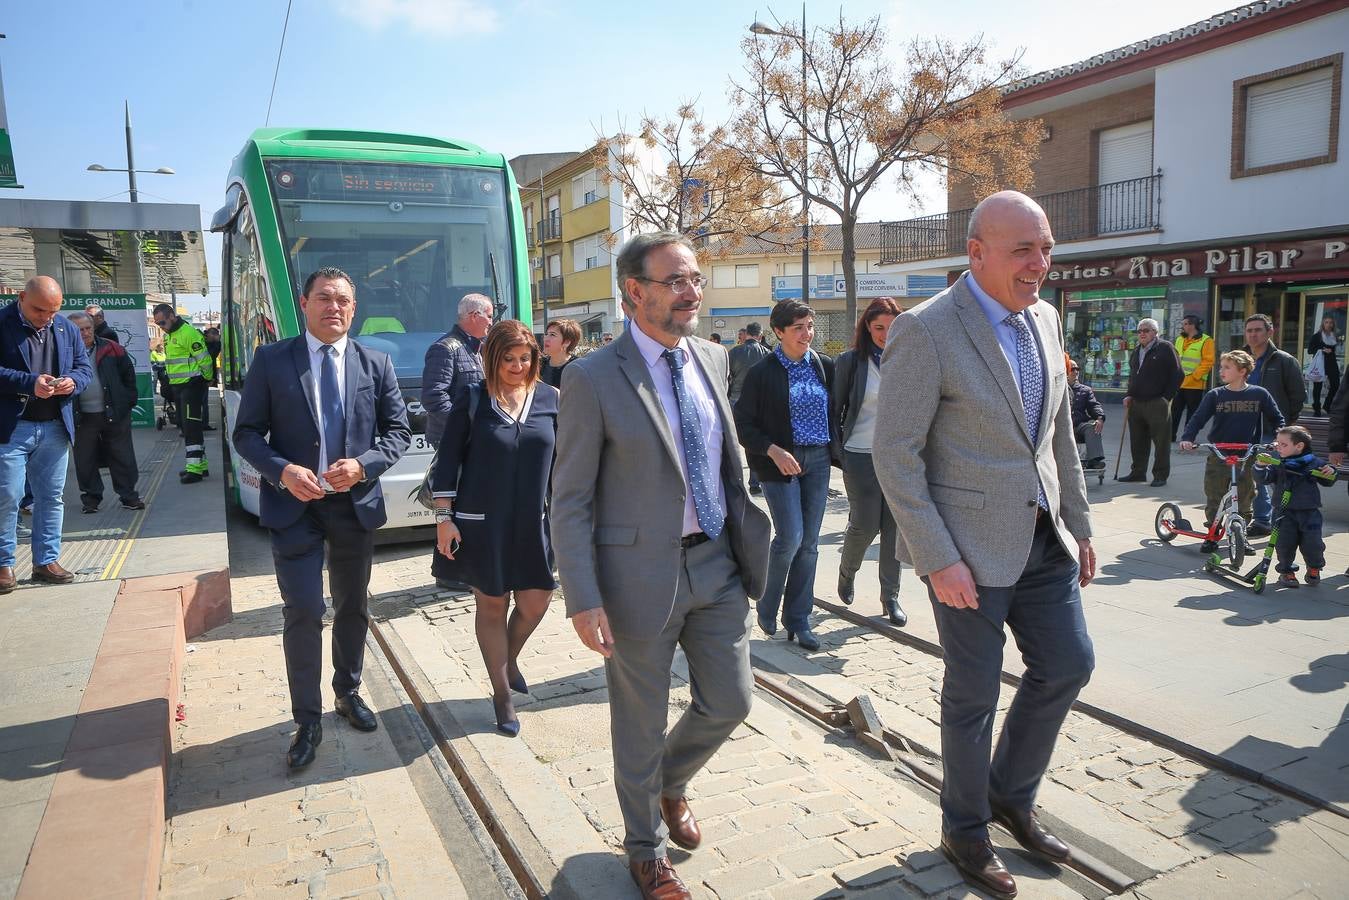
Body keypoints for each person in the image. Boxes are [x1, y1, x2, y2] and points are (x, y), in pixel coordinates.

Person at [874, 192, 1095, 900]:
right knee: (971, 697)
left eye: (1046, 247)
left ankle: (1008, 795)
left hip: (1043, 542)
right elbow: (895, 454)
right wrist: (935, 556)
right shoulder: (926, 330)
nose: (1040, 264)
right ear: (975, 253)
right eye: (1022, 250)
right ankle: (964, 831)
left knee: (1066, 665)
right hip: (965, 554)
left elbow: (1057, 437)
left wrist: (1080, 523)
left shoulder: (1045, 318)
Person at [552, 232, 771, 900]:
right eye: (675, 280)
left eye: (695, 279)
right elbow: (570, 499)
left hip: (717, 564)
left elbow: (724, 461)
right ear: (633, 292)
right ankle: (645, 850)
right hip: (635, 580)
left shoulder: (711, 356)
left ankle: (671, 783)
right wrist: (583, 597)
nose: (691, 291)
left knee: (732, 700)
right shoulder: (590, 376)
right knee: (639, 721)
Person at [232, 266, 411, 769]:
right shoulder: (271, 361)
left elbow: (397, 433)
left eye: (344, 300)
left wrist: (363, 465)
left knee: (353, 606)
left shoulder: (376, 363)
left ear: (354, 310)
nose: (335, 307)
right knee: (306, 610)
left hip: (353, 506)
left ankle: (347, 692)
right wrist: (282, 470)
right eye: (325, 298)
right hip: (296, 507)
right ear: (305, 303)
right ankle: (306, 718)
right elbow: (246, 434)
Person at [432, 320, 559, 736]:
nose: (518, 366)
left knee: (535, 603)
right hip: (481, 524)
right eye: (509, 359)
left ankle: (509, 657)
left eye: (525, 358)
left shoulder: (551, 399)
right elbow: (447, 462)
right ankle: (502, 694)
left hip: (533, 523)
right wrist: (443, 519)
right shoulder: (472, 399)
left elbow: (565, 465)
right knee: (492, 604)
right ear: (492, 359)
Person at [734, 299, 835, 651]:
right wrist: (772, 450)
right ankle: (766, 601)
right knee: (790, 537)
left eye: (809, 326)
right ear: (778, 332)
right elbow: (743, 423)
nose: (807, 334)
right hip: (778, 463)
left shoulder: (823, 366)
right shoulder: (763, 373)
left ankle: (799, 619)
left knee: (809, 544)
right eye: (798, 328)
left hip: (818, 460)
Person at [0, 276, 92, 592]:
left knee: (51, 498)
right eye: (40, 310)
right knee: (7, 497)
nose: (46, 318)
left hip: (54, 426)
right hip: (11, 429)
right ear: (21, 297)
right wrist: (29, 382)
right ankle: (3, 565)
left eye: (53, 311)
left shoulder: (64, 327)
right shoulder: (2, 322)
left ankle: (46, 561)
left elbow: (84, 368)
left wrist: (72, 383)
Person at [831, 297, 906, 626]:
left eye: (892, 328)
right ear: (866, 327)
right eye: (878, 328)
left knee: (894, 528)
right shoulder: (850, 361)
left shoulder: (909, 360)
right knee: (865, 524)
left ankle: (890, 596)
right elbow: (834, 410)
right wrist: (838, 453)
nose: (885, 335)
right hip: (859, 453)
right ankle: (847, 573)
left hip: (899, 458)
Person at [1179, 350, 1283, 553]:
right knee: (1215, 494)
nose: (1222, 371)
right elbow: (1198, 419)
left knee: (1245, 496)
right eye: (1221, 366)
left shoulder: (1259, 394)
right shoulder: (1216, 394)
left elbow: (1277, 418)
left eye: (1227, 367)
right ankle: (1212, 534)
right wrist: (1187, 438)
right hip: (1219, 454)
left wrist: (1280, 437)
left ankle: (1241, 535)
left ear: (1243, 371)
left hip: (1246, 454)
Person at [66, 312, 143, 514]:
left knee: (122, 455)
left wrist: (127, 402)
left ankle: (129, 496)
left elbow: (129, 376)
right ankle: (91, 499)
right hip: (81, 416)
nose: (84, 333)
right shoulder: (62, 352)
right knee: (85, 459)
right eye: (79, 329)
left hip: (115, 412)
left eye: (87, 328)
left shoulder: (113, 348)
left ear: (93, 328)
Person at [1243, 313, 1305, 536]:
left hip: (1273, 432)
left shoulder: (1284, 361)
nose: (1253, 334)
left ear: (1270, 332)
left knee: (1271, 477)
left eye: (1258, 330)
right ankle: (1261, 521)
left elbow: (1297, 396)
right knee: (1253, 476)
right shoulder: (1240, 360)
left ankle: (1277, 520)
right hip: (1244, 429)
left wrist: (1286, 427)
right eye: (1249, 330)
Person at [1254, 426, 1335, 588]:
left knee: (1314, 544)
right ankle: (1286, 571)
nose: (1278, 447)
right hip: (1283, 512)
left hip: (1309, 512)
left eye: (1284, 444)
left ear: (1299, 446)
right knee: (1284, 544)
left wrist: (1330, 471)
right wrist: (1260, 466)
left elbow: (1328, 480)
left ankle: (1314, 567)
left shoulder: (1313, 462)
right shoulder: (1277, 461)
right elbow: (1264, 478)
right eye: (1278, 443)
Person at [152, 303, 213, 483]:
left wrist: (207, 379)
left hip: (192, 386)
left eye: (162, 322)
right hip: (179, 387)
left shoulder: (188, 333)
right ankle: (200, 465)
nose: (160, 327)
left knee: (191, 428)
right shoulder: (170, 335)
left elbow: (204, 360)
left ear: (172, 316)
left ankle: (193, 470)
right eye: (157, 324)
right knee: (187, 426)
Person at [1119, 317, 1181, 487]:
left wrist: (1166, 398)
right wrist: (1129, 394)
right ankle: (1138, 472)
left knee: (1161, 441)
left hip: (1157, 402)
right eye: (1139, 331)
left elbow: (1177, 374)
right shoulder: (1137, 350)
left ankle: (1160, 475)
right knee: (1138, 440)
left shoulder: (1165, 348)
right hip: (1136, 402)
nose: (1142, 334)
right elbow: (1133, 376)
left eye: (1146, 330)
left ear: (1155, 332)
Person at [422, 294, 489, 449]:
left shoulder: (479, 348)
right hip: (453, 439)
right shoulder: (444, 348)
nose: (492, 322)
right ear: (474, 316)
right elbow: (433, 397)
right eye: (490, 316)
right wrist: (463, 424)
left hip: (473, 437)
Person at [727, 321, 770, 494]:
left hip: (736, 401)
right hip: (759, 403)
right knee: (754, 442)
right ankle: (754, 482)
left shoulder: (734, 352)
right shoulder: (767, 354)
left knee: (731, 442)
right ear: (760, 336)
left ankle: (732, 480)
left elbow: (726, 378)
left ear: (746, 335)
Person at [1171, 315, 1213, 441]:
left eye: (1184, 324)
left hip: (1195, 384)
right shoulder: (1179, 339)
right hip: (1179, 382)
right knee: (1174, 412)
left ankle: (1187, 437)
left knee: (1192, 413)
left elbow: (1208, 361)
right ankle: (1170, 436)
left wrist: (1196, 376)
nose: (1182, 326)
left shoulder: (1206, 341)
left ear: (1192, 326)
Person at [1068, 361, 1106, 468]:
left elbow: (1094, 406)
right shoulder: (1058, 388)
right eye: (1072, 369)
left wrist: (1100, 418)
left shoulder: (1085, 390)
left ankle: (1094, 460)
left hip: (1079, 424)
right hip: (1062, 426)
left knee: (1093, 427)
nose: (1075, 372)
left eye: (1077, 369)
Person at [1307, 316, 1341, 417]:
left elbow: (1333, 350)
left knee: (1336, 385)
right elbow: (1310, 350)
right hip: (1320, 363)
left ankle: (1327, 405)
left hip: (1331, 363)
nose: (1329, 324)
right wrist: (1322, 349)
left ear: (1333, 324)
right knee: (1318, 387)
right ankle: (1317, 408)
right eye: (1326, 322)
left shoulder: (1334, 336)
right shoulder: (1317, 336)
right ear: (1323, 324)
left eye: (1331, 323)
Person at [540, 317, 580, 389]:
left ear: (566, 342)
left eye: (552, 335)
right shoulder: (539, 364)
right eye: (546, 334)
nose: (545, 338)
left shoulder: (577, 367)